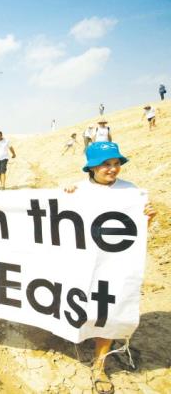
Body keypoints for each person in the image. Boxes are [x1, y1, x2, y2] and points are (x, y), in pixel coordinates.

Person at [63, 141, 156, 394]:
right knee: (81, 304)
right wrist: (63, 197)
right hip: (82, 261)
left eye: (116, 164)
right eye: (106, 164)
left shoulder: (131, 191)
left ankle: (99, 364)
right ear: (91, 167)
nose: (113, 169)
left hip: (113, 263)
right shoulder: (77, 190)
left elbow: (134, 235)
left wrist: (146, 218)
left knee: (108, 308)